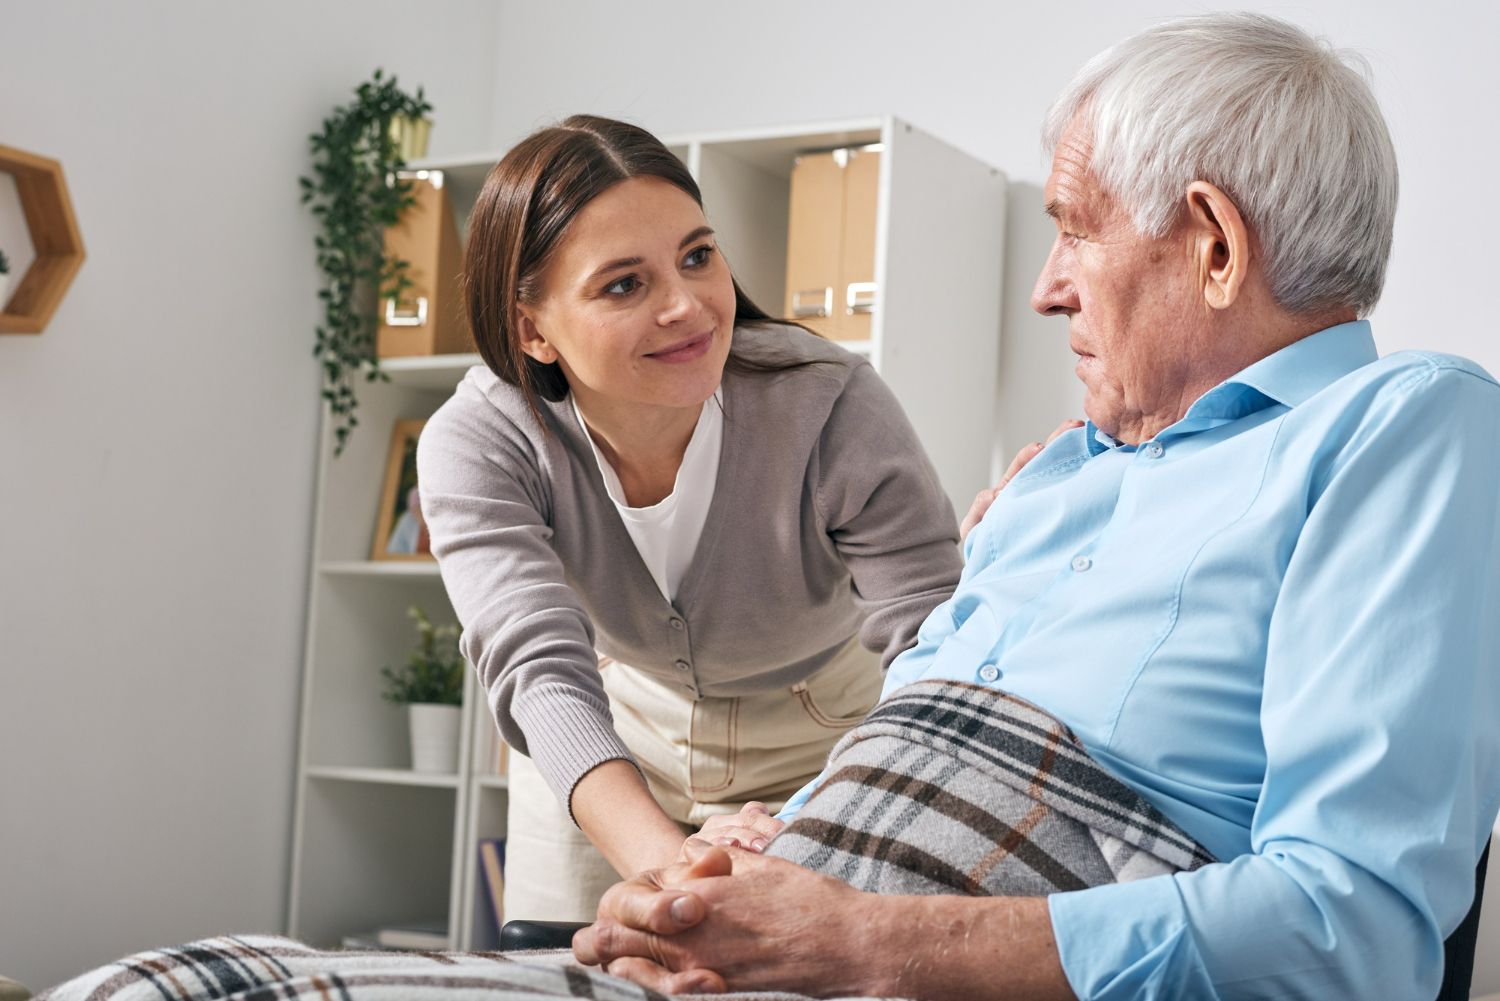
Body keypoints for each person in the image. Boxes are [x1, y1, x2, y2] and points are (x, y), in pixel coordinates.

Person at [573, 13, 1500, 999]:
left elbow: (1349, 925)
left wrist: (871, 941)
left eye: (1075, 229)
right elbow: (896, 756)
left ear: (1217, 246)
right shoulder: (1055, 477)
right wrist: (721, 868)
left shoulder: (1401, 426)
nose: (1046, 290)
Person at [416, 115, 967, 921]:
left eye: (698, 256)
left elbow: (933, 640)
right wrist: (671, 861)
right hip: (609, 738)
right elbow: (538, 670)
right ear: (532, 328)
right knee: (561, 963)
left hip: (825, 737)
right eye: (624, 284)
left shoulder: (831, 403)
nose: (689, 306)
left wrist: (813, 823)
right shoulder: (480, 441)